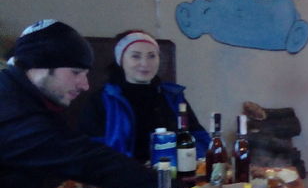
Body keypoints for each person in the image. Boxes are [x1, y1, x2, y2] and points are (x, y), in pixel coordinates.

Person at [0, 20, 226, 188]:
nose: (84, 84)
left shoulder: (21, 98)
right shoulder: (11, 111)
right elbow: (87, 158)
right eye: (76, 72)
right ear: (39, 66)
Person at [78, 29, 210, 161]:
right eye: (136, 56)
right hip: (123, 171)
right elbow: (92, 151)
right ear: (120, 60)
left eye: (152, 56)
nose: (145, 63)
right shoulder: (102, 100)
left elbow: (199, 137)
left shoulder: (173, 97)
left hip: (173, 170)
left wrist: (190, 159)